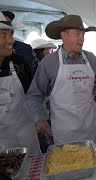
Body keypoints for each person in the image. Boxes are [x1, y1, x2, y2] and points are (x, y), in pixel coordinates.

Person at [26, 15, 96, 144]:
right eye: (77, 34)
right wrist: (39, 118)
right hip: (62, 130)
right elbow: (34, 95)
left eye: (83, 34)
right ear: (64, 35)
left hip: (88, 126)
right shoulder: (49, 63)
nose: (82, 39)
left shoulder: (91, 59)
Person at [0, 12, 41, 155]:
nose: (10, 40)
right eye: (3, 35)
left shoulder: (19, 63)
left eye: (10, 34)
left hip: (26, 137)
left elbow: (34, 95)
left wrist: (39, 118)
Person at [2, 11, 38, 75]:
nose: (10, 41)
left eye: (9, 23)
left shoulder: (25, 50)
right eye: (3, 34)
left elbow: (33, 73)